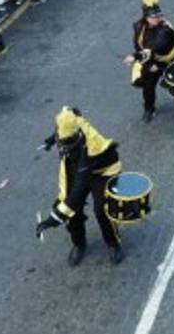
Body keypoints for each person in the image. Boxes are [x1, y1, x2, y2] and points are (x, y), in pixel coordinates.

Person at [34, 107, 125, 266]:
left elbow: (76, 195)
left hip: (101, 171)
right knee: (72, 213)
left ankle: (113, 243)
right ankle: (79, 243)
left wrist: (52, 220)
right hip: (79, 168)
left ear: (80, 135)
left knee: (101, 210)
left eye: (68, 144)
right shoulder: (69, 122)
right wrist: (51, 140)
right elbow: (60, 129)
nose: (64, 148)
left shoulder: (90, 147)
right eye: (62, 143)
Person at [124, 0, 174, 122]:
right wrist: (148, 63)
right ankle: (149, 109)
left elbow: (156, 47)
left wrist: (135, 57)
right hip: (150, 62)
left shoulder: (166, 30)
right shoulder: (139, 27)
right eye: (154, 17)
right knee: (148, 86)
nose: (158, 18)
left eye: (159, 16)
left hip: (168, 59)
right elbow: (138, 46)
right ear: (146, 18)